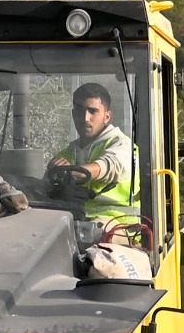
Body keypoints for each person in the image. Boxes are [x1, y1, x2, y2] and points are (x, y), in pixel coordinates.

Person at [49, 83, 139, 238]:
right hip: (80, 220)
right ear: (72, 114)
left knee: (90, 236)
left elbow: (110, 166)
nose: (85, 118)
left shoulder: (122, 144)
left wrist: (75, 172)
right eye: (80, 111)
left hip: (119, 225)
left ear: (107, 116)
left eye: (93, 111)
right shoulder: (70, 151)